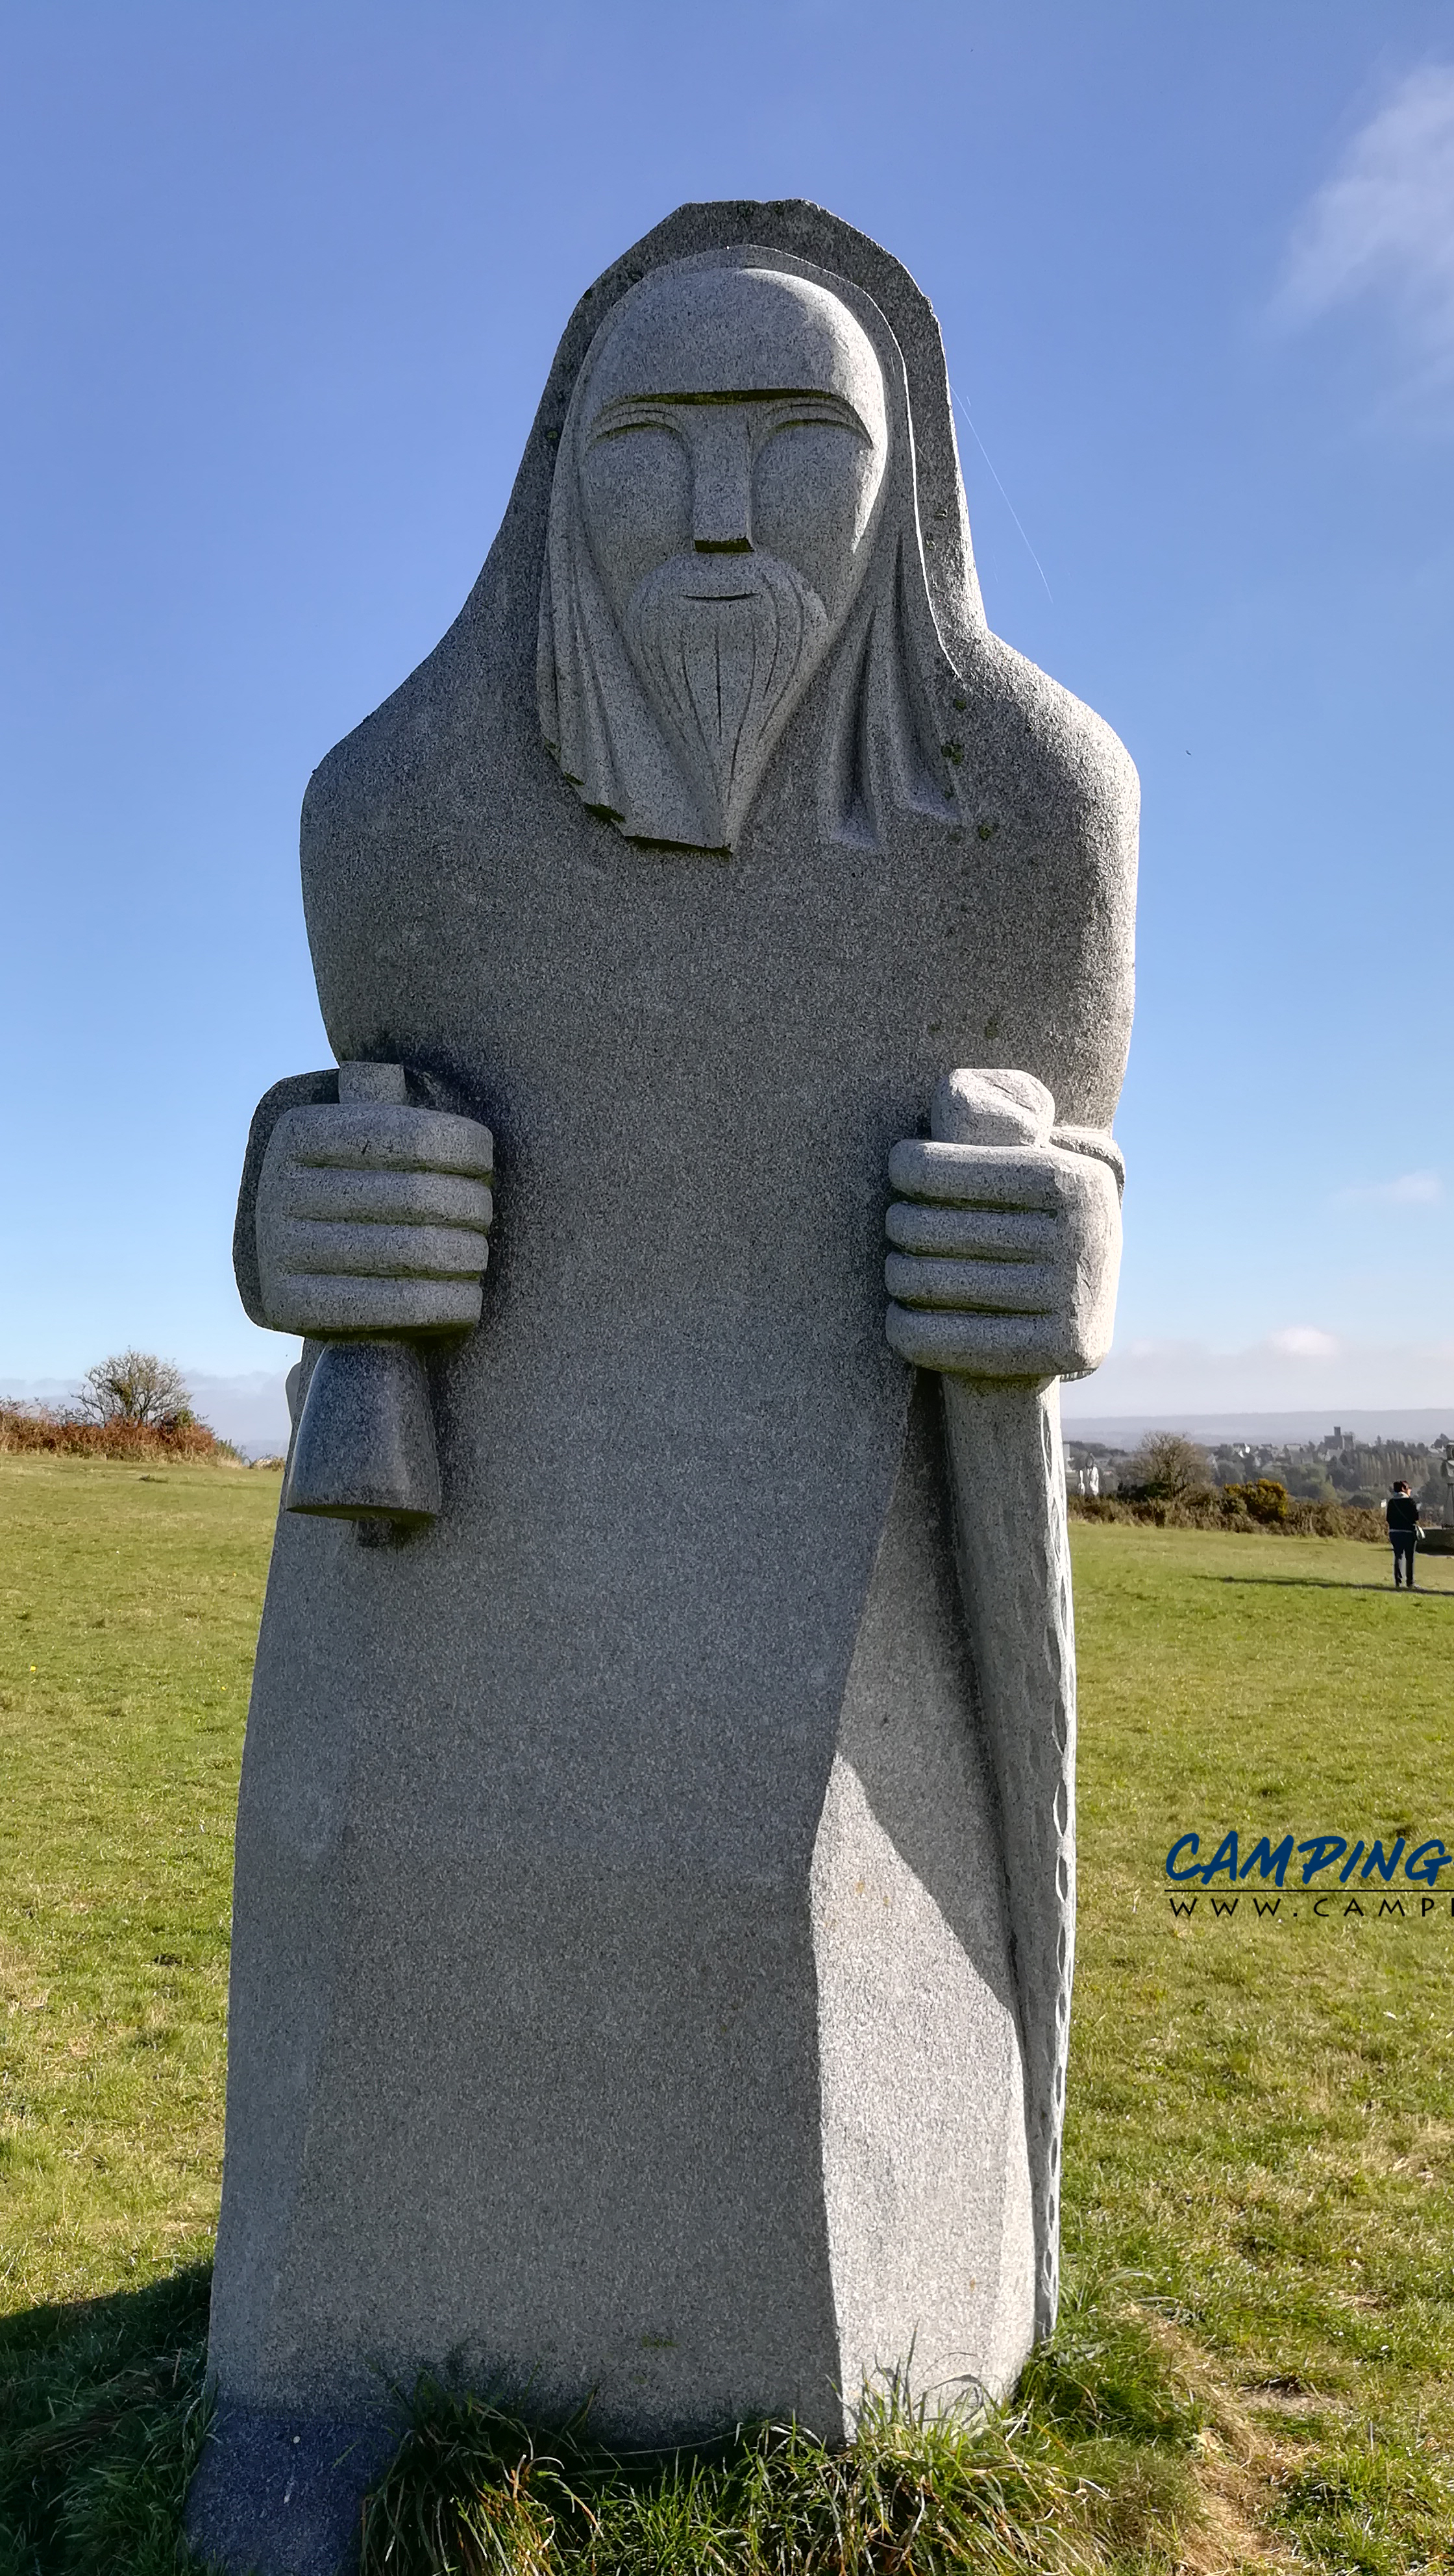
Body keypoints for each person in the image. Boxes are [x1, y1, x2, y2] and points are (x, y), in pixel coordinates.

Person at [1388, 1479, 1420, 1589]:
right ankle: (1410, 1582)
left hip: (1394, 1532)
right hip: (1408, 1532)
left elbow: (1388, 1518)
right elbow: (1416, 1517)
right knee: (1409, 1557)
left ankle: (1398, 1581)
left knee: (1398, 1556)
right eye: (1408, 1488)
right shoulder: (1410, 1502)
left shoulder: (1392, 1502)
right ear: (1404, 1489)